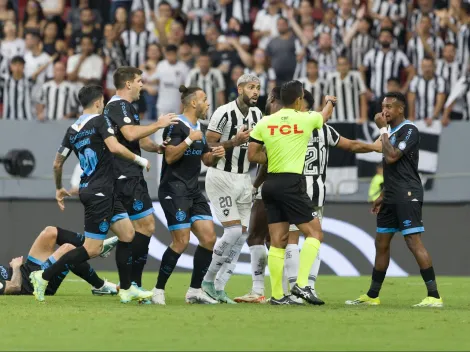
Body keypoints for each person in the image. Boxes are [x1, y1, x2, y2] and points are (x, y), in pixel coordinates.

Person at [29, 84, 154, 303]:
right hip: (99, 192)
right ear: (98, 102)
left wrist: (59, 187)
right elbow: (114, 148)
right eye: (103, 102)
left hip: (101, 189)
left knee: (127, 234)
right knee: (92, 248)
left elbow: (57, 163)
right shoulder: (100, 120)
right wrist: (139, 159)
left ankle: (126, 289)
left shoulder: (73, 130)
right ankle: (43, 275)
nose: (104, 105)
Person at [283, 89, 382, 304]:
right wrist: (375, 147)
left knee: (291, 238)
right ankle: (309, 286)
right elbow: (353, 145)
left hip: (292, 188)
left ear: (301, 105)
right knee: (314, 237)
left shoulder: (288, 127)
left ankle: (294, 290)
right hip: (315, 190)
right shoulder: (323, 130)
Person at [346, 92, 443, 308]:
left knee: (412, 241)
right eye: (383, 106)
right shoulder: (389, 132)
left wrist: (382, 130)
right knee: (381, 243)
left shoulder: (410, 130)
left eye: (389, 106)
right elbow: (390, 167)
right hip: (391, 195)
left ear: (400, 109)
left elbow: (391, 157)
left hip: (408, 193)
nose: (384, 111)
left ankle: (434, 296)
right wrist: (383, 195)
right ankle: (372, 295)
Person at [247, 80, 336, 305]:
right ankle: (302, 285)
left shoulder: (266, 122)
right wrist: (329, 102)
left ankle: (277, 295)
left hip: (270, 185)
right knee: (315, 233)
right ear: (299, 100)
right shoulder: (305, 118)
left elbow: (252, 155)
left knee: (278, 241)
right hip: (291, 184)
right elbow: (324, 115)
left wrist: (274, 156)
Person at [104, 66, 178, 302]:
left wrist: (156, 147)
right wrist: (158, 124)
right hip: (124, 175)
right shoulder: (117, 106)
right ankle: (132, 283)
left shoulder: (126, 107)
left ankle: (131, 283)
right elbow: (130, 133)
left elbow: (140, 138)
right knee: (145, 227)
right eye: (139, 81)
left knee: (138, 229)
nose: (141, 85)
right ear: (127, 84)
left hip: (128, 175)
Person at [152, 85, 225, 305]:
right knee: (181, 241)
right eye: (205, 99)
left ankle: (194, 291)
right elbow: (170, 157)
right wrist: (190, 139)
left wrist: (216, 155)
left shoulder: (198, 128)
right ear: (194, 103)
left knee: (209, 238)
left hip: (193, 190)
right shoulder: (176, 126)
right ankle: (158, 290)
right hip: (174, 190)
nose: (208, 104)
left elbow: (206, 160)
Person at [201, 74, 263, 304]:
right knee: (233, 231)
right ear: (239, 89)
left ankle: (218, 287)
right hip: (221, 177)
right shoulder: (223, 112)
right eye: (251, 87)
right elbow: (208, 145)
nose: (255, 92)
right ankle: (206, 281)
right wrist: (233, 143)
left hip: (244, 179)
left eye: (257, 88)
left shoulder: (258, 115)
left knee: (241, 236)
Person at [234, 86, 282, 304]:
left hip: (271, 185)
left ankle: (258, 289)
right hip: (295, 186)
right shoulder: (297, 122)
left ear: (273, 99)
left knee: (256, 236)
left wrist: (255, 186)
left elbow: (263, 159)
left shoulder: (269, 122)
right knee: (280, 240)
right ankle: (291, 289)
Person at [0, 226, 118, 296]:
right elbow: (14, 287)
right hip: (33, 285)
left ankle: (98, 247)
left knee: (50, 232)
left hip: (27, 269)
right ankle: (100, 286)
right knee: (67, 249)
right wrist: (15, 267)